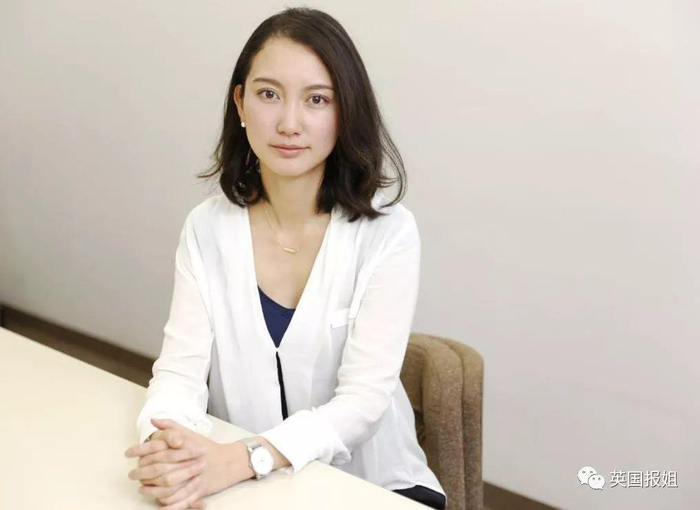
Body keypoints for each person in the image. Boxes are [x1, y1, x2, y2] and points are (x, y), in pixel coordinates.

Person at [124, 7, 447, 510]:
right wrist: (167, 444)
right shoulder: (207, 229)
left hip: (374, 487)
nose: (289, 123)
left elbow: (361, 404)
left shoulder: (388, 232)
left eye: (317, 99)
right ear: (241, 103)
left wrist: (244, 458)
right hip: (249, 490)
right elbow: (178, 374)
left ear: (346, 112)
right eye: (269, 94)